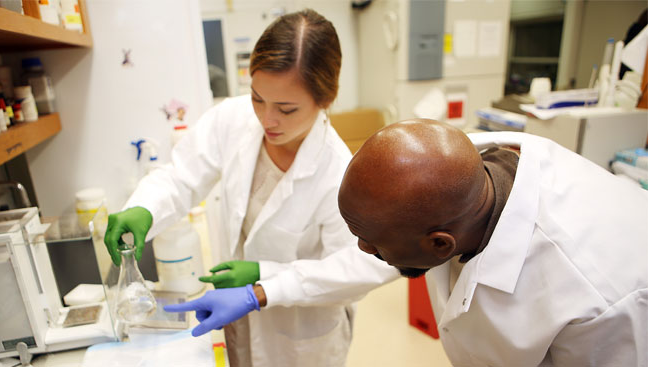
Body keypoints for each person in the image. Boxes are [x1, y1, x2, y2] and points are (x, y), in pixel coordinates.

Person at [104, 9, 397, 367]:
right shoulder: (233, 118)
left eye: (286, 109)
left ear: (326, 99)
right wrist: (145, 208)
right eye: (258, 97)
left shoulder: (339, 171)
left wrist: (265, 280)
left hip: (299, 338)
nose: (266, 119)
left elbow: (361, 267)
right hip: (236, 318)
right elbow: (182, 176)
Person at [338, 119, 648, 366]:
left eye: (371, 242)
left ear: (441, 246)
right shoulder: (452, 189)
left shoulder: (599, 298)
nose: (363, 248)